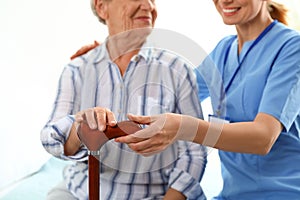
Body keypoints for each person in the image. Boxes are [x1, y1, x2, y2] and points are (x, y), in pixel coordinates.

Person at [116, 0, 300, 199]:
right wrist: (114, 57)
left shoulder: (292, 48)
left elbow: (263, 138)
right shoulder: (224, 50)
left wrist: (184, 128)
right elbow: (171, 92)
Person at [40, 0, 207, 199]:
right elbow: (52, 138)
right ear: (102, 7)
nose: (148, 5)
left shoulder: (177, 69)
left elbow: (195, 150)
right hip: (80, 190)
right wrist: (80, 129)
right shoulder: (77, 70)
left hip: (156, 194)